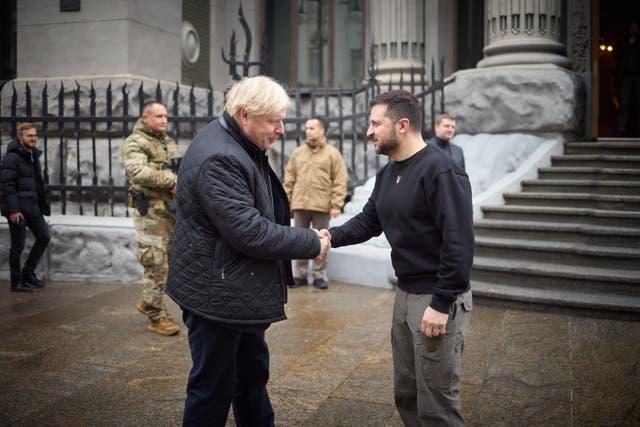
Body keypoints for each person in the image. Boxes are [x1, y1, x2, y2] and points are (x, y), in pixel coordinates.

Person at [166, 76, 330, 426]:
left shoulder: (236, 141)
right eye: (275, 121)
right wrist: (311, 241)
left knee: (250, 377)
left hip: (234, 289)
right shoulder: (221, 157)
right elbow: (250, 232)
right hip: (216, 295)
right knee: (212, 389)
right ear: (244, 115)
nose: (282, 129)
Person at [320, 90, 474, 426]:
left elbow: (459, 243)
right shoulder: (388, 173)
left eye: (375, 123)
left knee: (437, 404)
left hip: (436, 298)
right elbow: (369, 221)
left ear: (402, 125)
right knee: (407, 393)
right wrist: (330, 235)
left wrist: (442, 302)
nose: (369, 131)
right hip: (404, 296)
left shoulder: (441, 170)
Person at [121, 101, 181, 336]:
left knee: (168, 262)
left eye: (166, 115)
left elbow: (177, 166)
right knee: (155, 263)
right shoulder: (135, 142)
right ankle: (156, 316)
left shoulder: (166, 141)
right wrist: (172, 181)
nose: (164, 120)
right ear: (145, 118)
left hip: (171, 210)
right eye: (158, 116)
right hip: (151, 214)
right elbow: (137, 172)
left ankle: (149, 302)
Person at [283, 115, 348, 290]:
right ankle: (300, 274)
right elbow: (289, 179)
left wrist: (336, 203)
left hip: (322, 205)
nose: (307, 131)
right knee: (299, 240)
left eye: (312, 128)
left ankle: (319, 275)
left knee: (322, 241)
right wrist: (287, 200)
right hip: (300, 205)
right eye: (306, 128)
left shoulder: (332, 154)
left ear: (322, 130)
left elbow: (340, 180)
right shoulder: (298, 153)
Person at [1, 122, 51, 293]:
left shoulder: (32, 155)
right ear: (20, 137)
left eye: (35, 135)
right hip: (18, 211)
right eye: (30, 136)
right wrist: (14, 210)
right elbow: (7, 186)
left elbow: (37, 183)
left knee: (44, 236)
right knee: (17, 246)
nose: (33, 139)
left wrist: (42, 205)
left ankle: (28, 273)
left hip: (32, 207)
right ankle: (16, 282)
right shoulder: (12, 158)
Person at [614, 20, 640, 136]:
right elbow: (615, 54)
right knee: (624, 104)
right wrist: (628, 45)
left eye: (636, 28)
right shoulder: (623, 42)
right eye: (632, 28)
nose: (634, 30)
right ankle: (622, 129)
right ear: (629, 29)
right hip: (626, 77)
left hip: (638, 77)